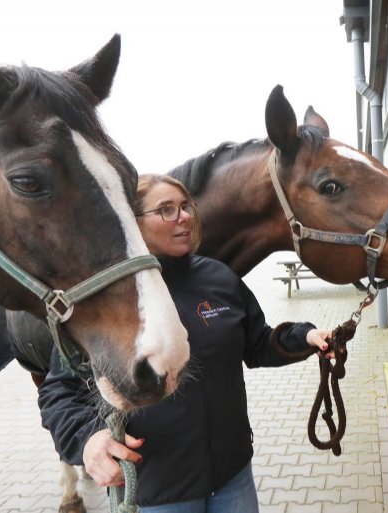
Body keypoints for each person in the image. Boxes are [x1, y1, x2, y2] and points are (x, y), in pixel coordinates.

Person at [38, 174, 331, 512]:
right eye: (166, 210)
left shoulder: (219, 277)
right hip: (157, 491)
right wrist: (88, 440)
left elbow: (258, 343)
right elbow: (58, 390)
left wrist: (307, 337)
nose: (184, 217)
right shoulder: (106, 296)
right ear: (132, 223)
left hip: (233, 478)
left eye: (185, 207)